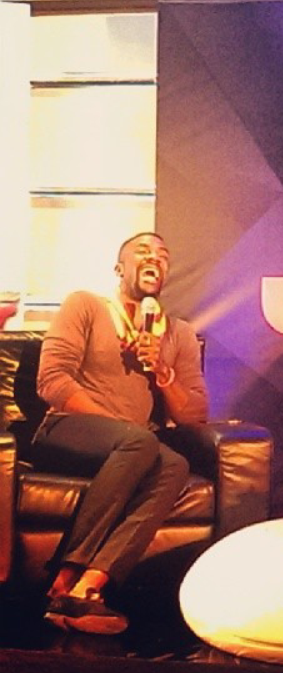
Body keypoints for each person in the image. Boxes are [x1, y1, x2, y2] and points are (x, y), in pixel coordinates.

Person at [33, 232, 208, 634]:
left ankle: (89, 588)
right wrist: (120, 428)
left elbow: (195, 414)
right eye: (143, 251)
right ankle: (62, 575)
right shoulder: (86, 305)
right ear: (119, 267)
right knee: (141, 441)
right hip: (69, 431)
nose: (154, 258)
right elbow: (52, 381)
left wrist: (162, 372)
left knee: (174, 464)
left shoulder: (178, 333)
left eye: (163, 255)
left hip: (136, 448)